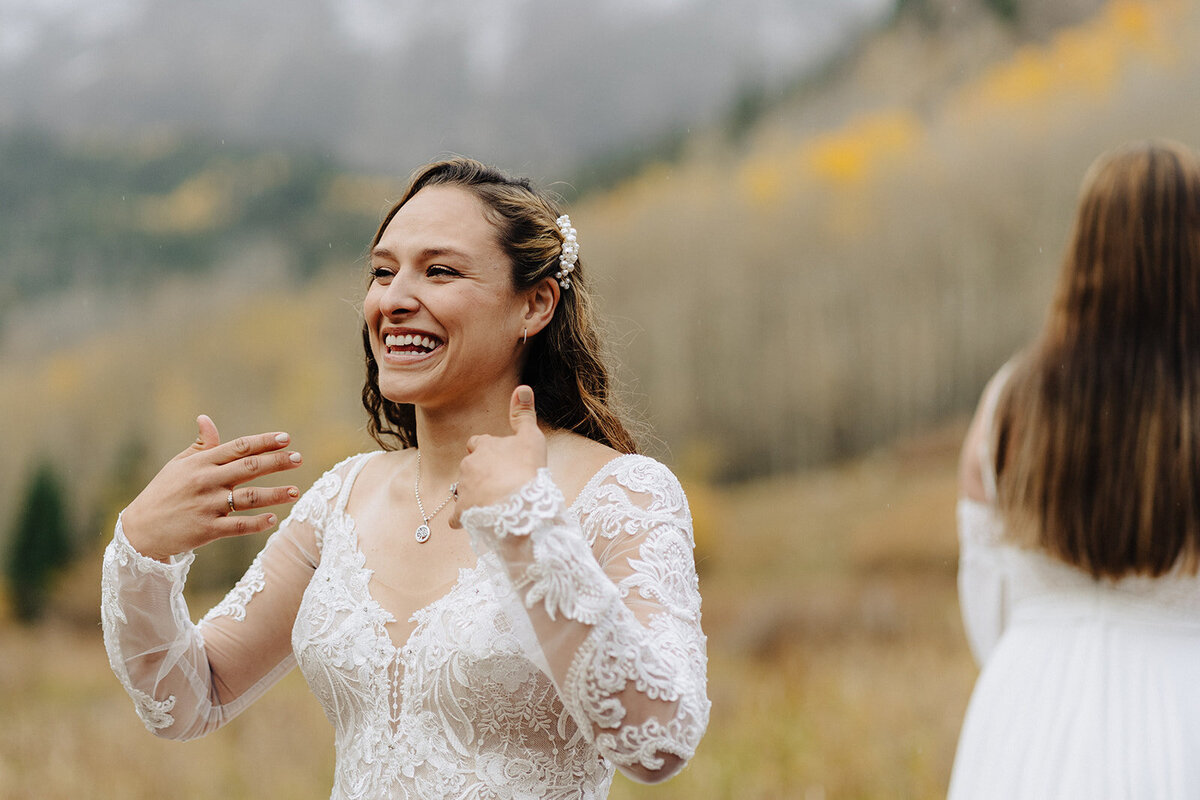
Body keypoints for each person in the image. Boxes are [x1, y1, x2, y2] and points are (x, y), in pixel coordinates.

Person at [101, 157, 710, 799]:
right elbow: (192, 698)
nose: (393, 300)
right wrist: (141, 550)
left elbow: (659, 742)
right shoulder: (343, 497)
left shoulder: (622, 494)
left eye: (440, 271)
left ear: (534, 304)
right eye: (383, 272)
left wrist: (530, 531)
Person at [949, 140, 1200, 798]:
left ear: (1085, 245)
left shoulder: (1009, 401)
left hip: (1023, 714)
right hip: (1181, 710)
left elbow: (987, 593)